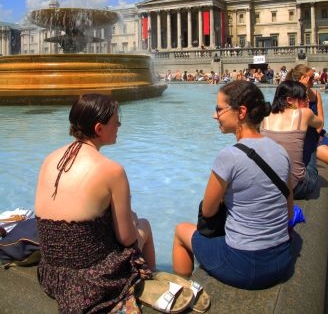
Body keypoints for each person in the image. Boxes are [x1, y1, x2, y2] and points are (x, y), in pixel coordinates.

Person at [35, 94, 155, 313]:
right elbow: (126, 239)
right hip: (90, 281)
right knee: (143, 224)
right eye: (116, 122)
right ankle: (151, 286)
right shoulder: (112, 170)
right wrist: (135, 225)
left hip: (51, 274)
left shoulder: (51, 158)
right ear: (99, 128)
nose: (119, 125)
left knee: (131, 217)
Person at [172, 81, 293, 289]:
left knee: (180, 231)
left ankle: (183, 291)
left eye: (219, 109)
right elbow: (289, 214)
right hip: (281, 260)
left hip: (245, 265)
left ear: (241, 112)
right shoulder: (280, 151)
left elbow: (208, 211)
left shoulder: (229, 156)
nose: (214, 115)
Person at [261, 81, 323, 199]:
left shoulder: (265, 116)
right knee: (312, 132)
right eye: (304, 97)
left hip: (269, 187)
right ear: (289, 100)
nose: (307, 100)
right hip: (298, 187)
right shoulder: (305, 113)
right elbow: (320, 124)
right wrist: (317, 103)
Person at [286, 64, 324, 165]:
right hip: (297, 137)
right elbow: (295, 119)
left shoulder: (316, 94)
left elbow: (321, 121)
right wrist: (304, 92)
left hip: (314, 135)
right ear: (302, 78)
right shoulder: (290, 96)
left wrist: (315, 137)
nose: (313, 80)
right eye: (311, 78)